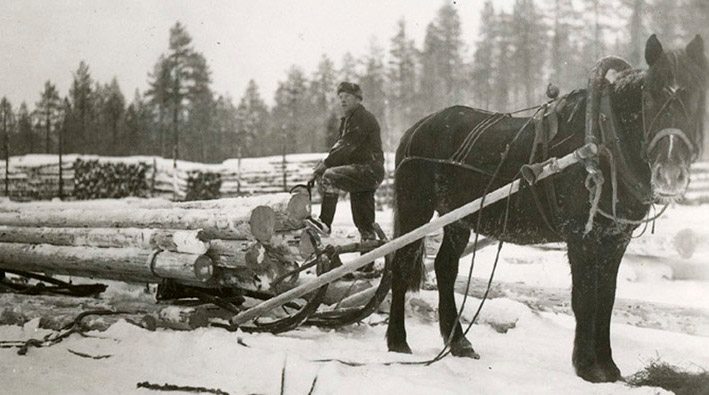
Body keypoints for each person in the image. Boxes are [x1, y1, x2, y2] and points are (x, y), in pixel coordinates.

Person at [307, 81, 385, 241]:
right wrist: (321, 168)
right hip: (361, 171)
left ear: (358, 98)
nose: (342, 100)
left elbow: (345, 145)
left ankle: (325, 223)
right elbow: (340, 149)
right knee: (363, 220)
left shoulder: (362, 118)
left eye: (347, 96)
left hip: (368, 169)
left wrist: (324, 166)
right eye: (340, 97)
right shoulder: (348, 120)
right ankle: (368, 261)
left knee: (330, 176)